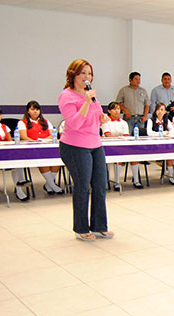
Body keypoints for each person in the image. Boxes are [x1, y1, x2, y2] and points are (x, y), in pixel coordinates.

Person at [58, 59, 113, 242]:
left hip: (95, 144)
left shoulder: (91, 96)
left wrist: (103, 118)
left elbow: (96, 117)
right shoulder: (67, 96)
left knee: (100, 185)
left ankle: (99, 226)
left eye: (89, 74)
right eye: (83, 73)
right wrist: (86, 102)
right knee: (82, 187)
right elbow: (73, 122)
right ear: (73, 75)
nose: (87, 77)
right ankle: (81, 228)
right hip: (75, 146)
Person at [14, 100, 64, 200]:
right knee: (44, 161)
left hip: (46, 147)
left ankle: (48, 185)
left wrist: (44, 140)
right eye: (32, 109)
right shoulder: (22, 123)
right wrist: (36, 142)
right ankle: (52, 185)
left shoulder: (46, 122)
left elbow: (52, 135)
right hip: (31, 149)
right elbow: (23, 137)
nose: (35, 112)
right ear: (28, 111)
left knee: (57, 161)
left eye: (37, 109)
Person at [101, 102, 143, 190]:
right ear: (109, 111)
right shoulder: (106, 122)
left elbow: (126, 136)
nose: (116, 111)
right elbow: (108, 135)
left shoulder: (124, 123)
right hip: (109, 147)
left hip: (122, 146)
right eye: (114, 109)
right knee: (118, 158)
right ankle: (116, 182)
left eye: (118, 109)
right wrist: (119, 137)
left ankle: (136, 180)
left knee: (134, 156)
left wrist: (120, 137)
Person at [146, 102, 174, 185]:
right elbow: (149, 133)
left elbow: (173, 132)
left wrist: (167, 133)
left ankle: (172, 176)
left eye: (162, 110)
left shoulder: (166, 120)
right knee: (171, 153)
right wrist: (164, 133)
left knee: (171, 154)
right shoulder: (151, 120)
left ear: (165, 112)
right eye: (158, 110)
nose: (160, 112)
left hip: (165, 145)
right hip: (153, 146)